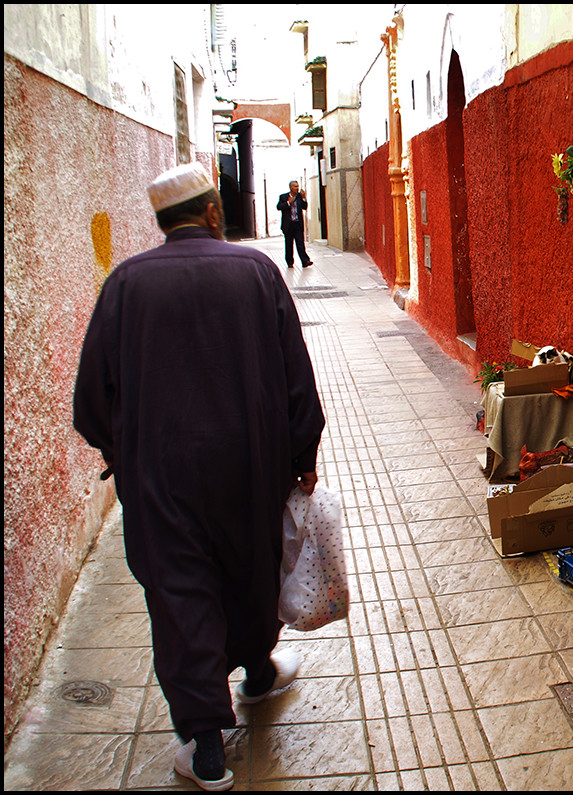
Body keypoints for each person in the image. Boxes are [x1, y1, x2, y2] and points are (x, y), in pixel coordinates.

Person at [74, 162, 326, 791]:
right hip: (252, 465)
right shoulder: (257, 271)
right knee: (248, 566)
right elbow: (298, 378)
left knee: (181, 590)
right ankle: (258, 673)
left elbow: (91, 404)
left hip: (160, 476)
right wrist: (302, 457)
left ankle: (208, 748)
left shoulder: (125, 285)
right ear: (215, 213)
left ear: (161, 222)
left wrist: (124, 453)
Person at [277, 179, 314, 268]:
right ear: (290, 187)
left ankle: (305, 261)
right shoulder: (283, 197)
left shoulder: (299, 197)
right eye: (295, 186)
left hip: (297, 224)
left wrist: (304, 198)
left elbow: (304, 207)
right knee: (289, 244)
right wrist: (288, 203)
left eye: (297, 186)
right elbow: (279, 207)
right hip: (288, 225)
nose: (297, 188)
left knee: (300, 243)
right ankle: (290, 262)